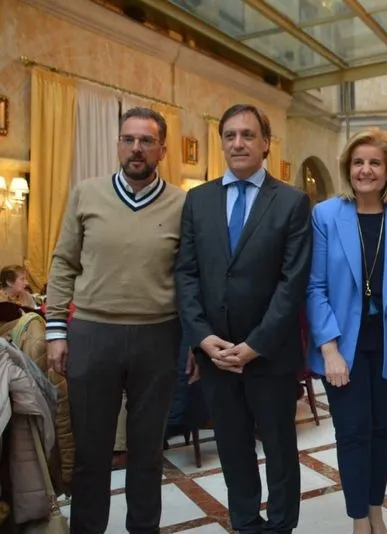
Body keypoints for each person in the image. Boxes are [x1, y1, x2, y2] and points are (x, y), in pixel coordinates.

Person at [45, 107, 185, 533]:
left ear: (162, 150)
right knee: (91, 453)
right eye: (128, 139)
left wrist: (195, 340)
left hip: (158, 336)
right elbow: (63, 262)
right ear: (118, 145)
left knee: (147, 453)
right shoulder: (86, 193)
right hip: (93, 334)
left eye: (146, 141)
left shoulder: (183, 203)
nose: (136, 148)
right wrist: (55, 330)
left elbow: (191, 275)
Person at [175, 104, 311, 533]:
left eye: (248, 135)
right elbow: (186, 274)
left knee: (280, 450)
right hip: (216, 355)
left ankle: (281, 526)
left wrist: (255, 345)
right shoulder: (198, 200)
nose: (238, 143)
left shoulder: (291, 202)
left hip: (270, 354)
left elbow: (292, 283)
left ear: (266, 143)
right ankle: (246, 523)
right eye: (230, 135)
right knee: (233, 449)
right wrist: (202, 337)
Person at [307, 128, 387, 534]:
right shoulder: (326, 215)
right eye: (358, 162)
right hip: (343, 345)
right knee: (352, 433)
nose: (366, 170)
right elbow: (315, 287)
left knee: (381, 430)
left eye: (375, 162)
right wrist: (329, 349)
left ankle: (376, 507)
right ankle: (360, 518)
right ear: (348, 168)